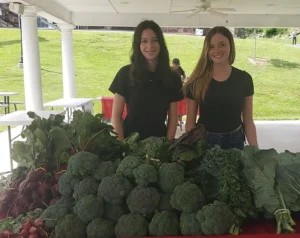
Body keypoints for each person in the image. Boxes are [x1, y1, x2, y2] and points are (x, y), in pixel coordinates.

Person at [183, 26, 258, 150]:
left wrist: (256, 152)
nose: (217, 50)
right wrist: (192, 149)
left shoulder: (244, 79)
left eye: (222, 44)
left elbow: (248, 122)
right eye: (212, 46)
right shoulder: (196, 81)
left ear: (230, 46)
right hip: (205, 142)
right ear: (206, 50)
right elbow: (190, 124)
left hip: (236, 141)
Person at [109, 20, 183, 141]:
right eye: (144, 41)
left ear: (161, 43)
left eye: (155, 40)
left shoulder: (172, 77)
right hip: (130, 143)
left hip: (159, 144)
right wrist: (122, 147)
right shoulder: (125, 74)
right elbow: (116, 116)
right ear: (138, 45)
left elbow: (173, 119)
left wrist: (167, 147)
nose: (150, 46)